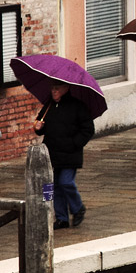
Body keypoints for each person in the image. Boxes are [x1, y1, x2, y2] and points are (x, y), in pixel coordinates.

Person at [34, 80, 94, 229]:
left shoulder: (77, 106)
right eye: (52, 88)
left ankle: (78, 208)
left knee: (66, 182)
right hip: (53, 152)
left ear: (66, 88)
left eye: (57, 88)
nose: (54, 91)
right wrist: (38, 128)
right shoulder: (49, 106)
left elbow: (87, 129)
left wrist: (74, 143)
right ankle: (62, 218)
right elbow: (41, 126)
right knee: (55, 187)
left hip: (70, 153)